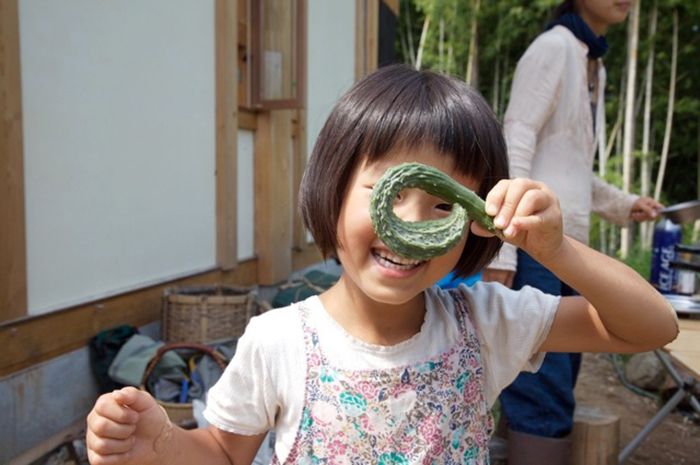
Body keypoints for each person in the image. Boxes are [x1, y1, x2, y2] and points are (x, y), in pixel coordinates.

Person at [85, 64, 677, 465]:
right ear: (332, 190)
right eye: (388, 191)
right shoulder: (277, 341)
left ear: (477, 218)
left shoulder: (486, 322)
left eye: (443, 203)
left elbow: (652, 326)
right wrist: (161, 446)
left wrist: (555, 250)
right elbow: (220, 452)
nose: (413, 227)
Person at [483, 1, 664, 463]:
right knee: (544, 392)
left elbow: (570, 167)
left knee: (553, 377)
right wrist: (503, 248)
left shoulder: (592, 62)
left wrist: (625, 205)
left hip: (568, 248)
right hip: (531, 243)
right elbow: (516, 139)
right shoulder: (553, 48)